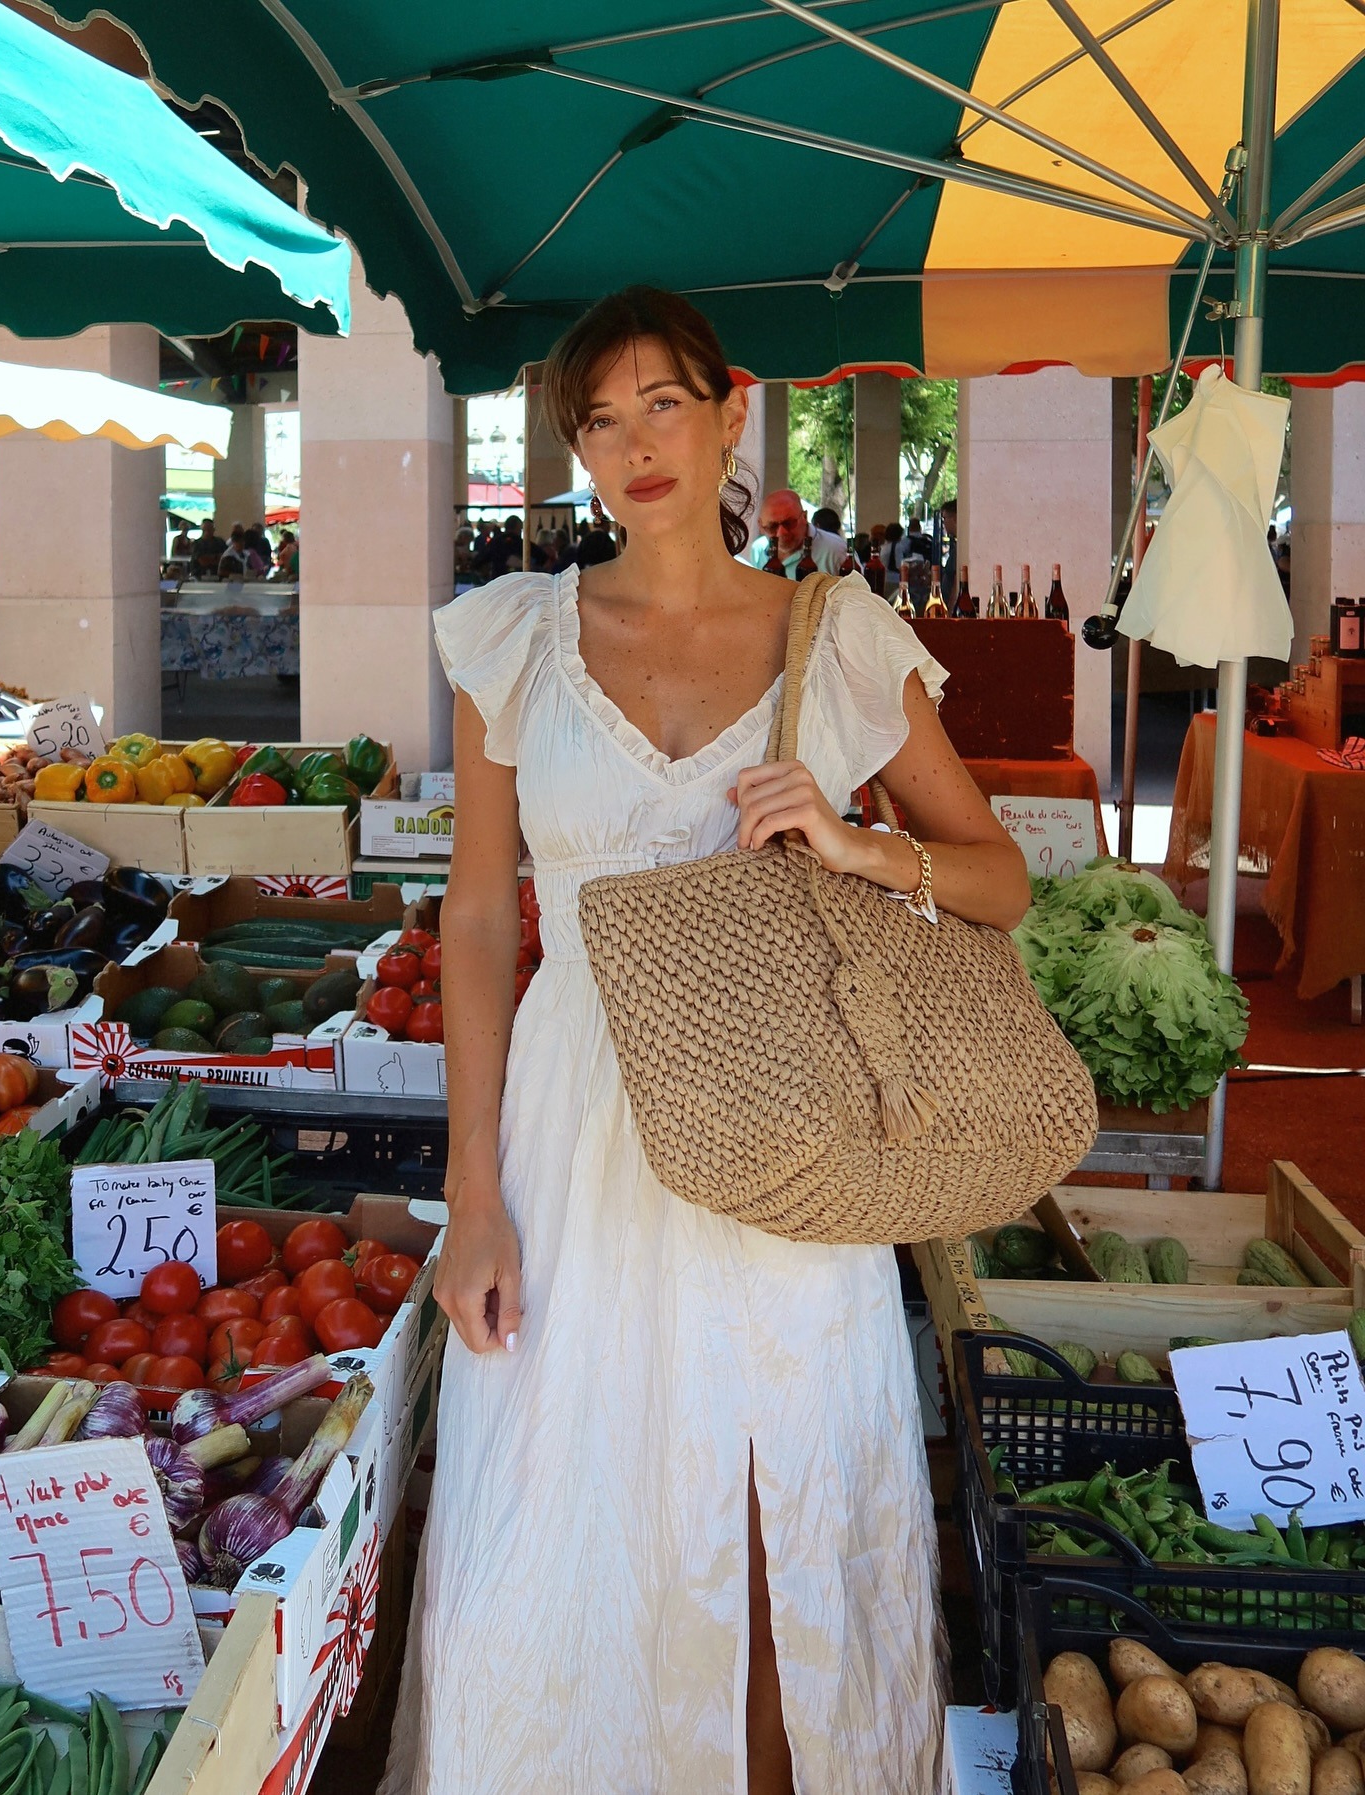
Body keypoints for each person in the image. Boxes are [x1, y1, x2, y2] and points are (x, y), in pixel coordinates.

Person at [382, 283, 1030, 1794]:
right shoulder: (518, 637)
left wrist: (863, 850)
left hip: (788, 1133)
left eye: (660, 403)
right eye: (598, 420)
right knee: (545, 1521)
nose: (633, 444)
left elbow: (996, 877)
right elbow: (479, 922)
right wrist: (472, 1192)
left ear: (731, 411)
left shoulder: (842, 635)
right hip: (572, 1127)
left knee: (772, 1528)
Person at [748, 488, 847, 577]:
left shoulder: (837, 551)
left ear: (804, 517)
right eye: (772, 526)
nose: (781, 533)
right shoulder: (758, 550)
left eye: (789, 523)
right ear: (761, 526)